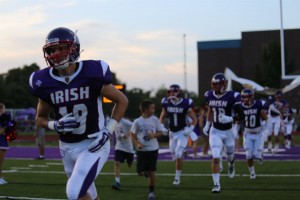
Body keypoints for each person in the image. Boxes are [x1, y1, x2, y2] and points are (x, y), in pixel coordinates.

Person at [28, 27, 128, 200]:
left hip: (94, 142)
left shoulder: (92, 72)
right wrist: (55, 125)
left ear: (73, 48)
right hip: (66, 147)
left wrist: (108, 130)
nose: (56, 53)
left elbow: (122, 101)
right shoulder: (42, 81)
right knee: (88, 194)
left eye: (61, 48)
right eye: (52, 50)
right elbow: (40, 118)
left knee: (74, 192)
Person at [203, 73, 244, 193]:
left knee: (230, 155)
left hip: (229, 131)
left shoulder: (233, 96)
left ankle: (231, 164)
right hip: (215, 130)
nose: (216, 86)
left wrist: (230, 118)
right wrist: (207, 123)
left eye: (218, 84)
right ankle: (216, 184)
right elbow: (211, 108)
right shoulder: (209, 95)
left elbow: (241, 115)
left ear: (224, 84)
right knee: (215, 156)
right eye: (214, 84)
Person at [159, 84, 197, 185]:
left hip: (182, 132)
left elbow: (194, 119)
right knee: (174, 155)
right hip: (172, 133)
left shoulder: (185, 103)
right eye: (169, 92)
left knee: (178, 153)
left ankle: (177, 178)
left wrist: (190, 129)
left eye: (171, 92)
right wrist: (162, 126)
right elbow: (162, 117)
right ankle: (179, 160)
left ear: (177, 92)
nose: (170, 94)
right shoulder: (166, 103)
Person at [131, 100, 163, 200]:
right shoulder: (137, 121)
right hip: (142, 151)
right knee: (140, 172)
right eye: (151, 108)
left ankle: (151, 192)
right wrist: (137, 144)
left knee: (152, 171)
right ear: (145, 110)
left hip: (153, 149)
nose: (153, 110)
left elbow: (160, 132)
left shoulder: (155, 120)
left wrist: (154, 135)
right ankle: (145, 172)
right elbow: (132, 134)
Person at [238, 88, 269, 179]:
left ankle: (260, 154)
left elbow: (266, 119)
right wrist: (235, 131)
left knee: (257, 155)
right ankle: (252, 172)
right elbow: (238, 120)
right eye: (243, 97)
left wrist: (266, 131)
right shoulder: (241, 107)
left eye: (246, 97)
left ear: (251, 97)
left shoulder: (258, 105)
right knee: (249, 155)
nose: (245, 99)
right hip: (247, 134)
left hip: (258, 133)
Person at [111, 117, 134, 190]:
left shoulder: (125, 121)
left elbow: (135, 125)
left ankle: (129, 162)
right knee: (117, 162)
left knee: (129, 164)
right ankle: (117, 182)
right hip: (119, 146)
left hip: (128, 148)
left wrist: (128, 134)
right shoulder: (113, 122)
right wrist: (110, 136)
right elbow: (109, 130)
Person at [0, 103, 13, 185]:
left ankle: (0, 177)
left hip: (3, 141)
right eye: (4, 109)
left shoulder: (4, 118)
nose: (5, 111)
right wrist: (5, 125)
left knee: (1, 162)